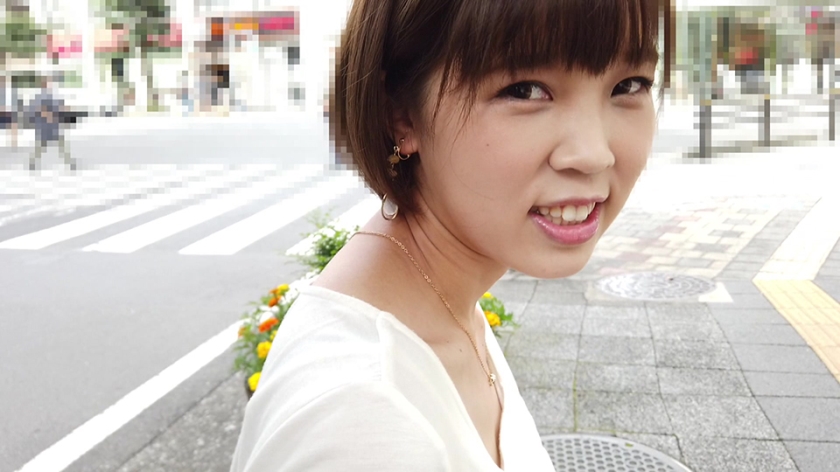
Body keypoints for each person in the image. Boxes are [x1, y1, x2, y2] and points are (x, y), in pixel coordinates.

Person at [231, 0, 669, 470]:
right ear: (401, 115)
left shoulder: (439, 299)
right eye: (525, 90)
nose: (594, 154)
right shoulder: (362, 422)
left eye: (629, 85)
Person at [27, 76, 76, 171]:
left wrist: (64, 108)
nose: (49, 85)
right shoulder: (39, 97)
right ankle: (32, 162)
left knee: (60, 145)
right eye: (47, 83)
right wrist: (47, 115)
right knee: (42, 146)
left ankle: (69, 162)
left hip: (52, 126)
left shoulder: (50, 96)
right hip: (44, 126)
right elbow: (37, 110)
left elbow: (58, 106)